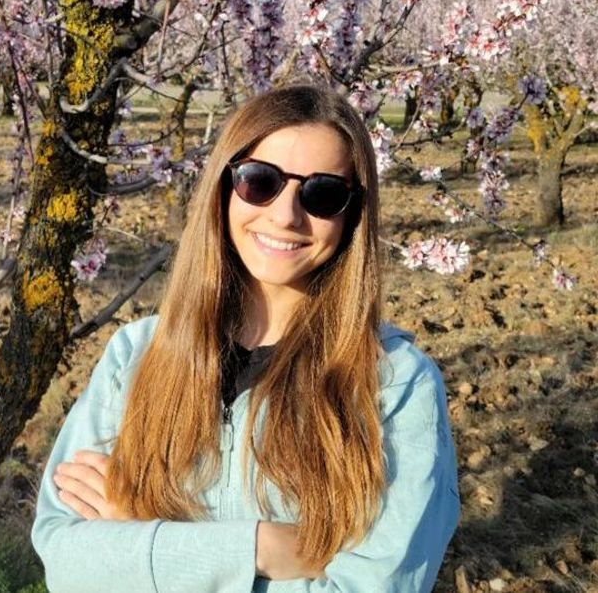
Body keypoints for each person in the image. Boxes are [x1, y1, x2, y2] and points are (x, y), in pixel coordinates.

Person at [31, 84, 461, 592]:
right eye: (261, 182)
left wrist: (139, 540)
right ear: (223, 185)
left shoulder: (395, 385)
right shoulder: (136, 355)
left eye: (322, 194)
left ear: (351, 217)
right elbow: (67, 563)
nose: (285, 215)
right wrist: (258, 548)